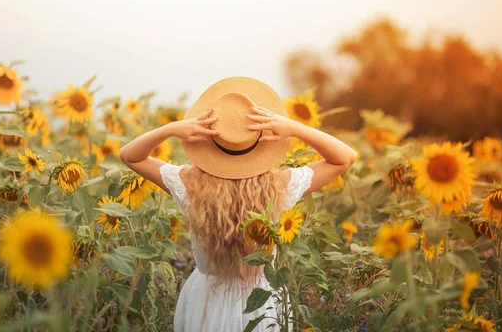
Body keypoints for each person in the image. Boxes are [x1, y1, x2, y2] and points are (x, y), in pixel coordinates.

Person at [119, 77, 357, 332]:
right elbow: (344, 158)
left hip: (205, 301)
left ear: (210, 142)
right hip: (261, 303)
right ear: (259, 141)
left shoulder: (187, 183)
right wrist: (294, 128)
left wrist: (173, 129)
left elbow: (130, 155)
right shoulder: (280, 186)